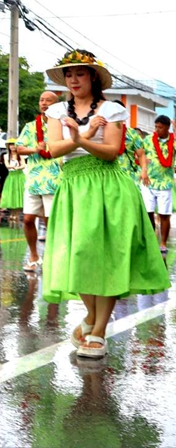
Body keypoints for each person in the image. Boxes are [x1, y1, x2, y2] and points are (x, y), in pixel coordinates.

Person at [43, 49, 169, 359]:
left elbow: (111, 150)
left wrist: (82, 139)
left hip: (109, 185)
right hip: (74, 187)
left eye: (80, 73)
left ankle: (98, 331)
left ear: (94, 77)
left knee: (110, 256)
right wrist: (83, 134)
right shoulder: (57, 110)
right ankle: (90, 318)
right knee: (82, 254)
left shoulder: (112, 109)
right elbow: (54, 149)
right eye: (69, 74)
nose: (73, 79)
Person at [16, 91, 61, 272]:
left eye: (48, 100)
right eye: (41, 100)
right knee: (28, 219)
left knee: (51, 222)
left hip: (54, 180)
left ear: (56, 105)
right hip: (34, 179)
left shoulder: (61, 125)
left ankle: (52, 257)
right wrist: (35, 149)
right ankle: (34, 255)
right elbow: (19, 148)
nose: (44, 103)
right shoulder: (30, 126)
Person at [140, 115, 174, 254]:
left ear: (167, 127)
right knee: (148, 213)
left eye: (160, 127)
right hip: (148, 182)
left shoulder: (174, 142)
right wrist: (143, 167)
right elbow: (141, 155)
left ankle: (163, 243)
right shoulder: (148, 140)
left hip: (165, 183)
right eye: (156, 127)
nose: (157, 130)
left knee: (164, 214)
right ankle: (152, 241)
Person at [0, 140, 25, 223]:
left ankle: (16, 214)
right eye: (10, 145)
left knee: (18, 195)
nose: (12, 146)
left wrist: (18, 167)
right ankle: (12, 213)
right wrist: (12, 166)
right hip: (11, 177)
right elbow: (7, 165)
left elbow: (24, 165)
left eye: (14, 145)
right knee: (11, 195)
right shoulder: (6, 156)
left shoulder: (20, 155)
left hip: (19, 176)